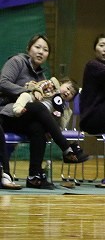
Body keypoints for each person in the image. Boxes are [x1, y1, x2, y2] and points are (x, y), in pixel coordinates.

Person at [0, 34, 90, 189]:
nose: (41, 51)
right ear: (29, 49)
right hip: (5, 111)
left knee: (39, 128)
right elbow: (3, 83)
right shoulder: (17, 61)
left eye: (45, 50)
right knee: (39, 108)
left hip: (21, 117)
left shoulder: (42, 77)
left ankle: (34, 176)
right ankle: (66, 148)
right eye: (37, 47)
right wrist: (28, 90)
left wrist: (50, 124)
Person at [12, 77, 78, 129]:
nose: (68, 93)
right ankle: (18, 109)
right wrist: (38, 91)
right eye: (68, 88)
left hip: (42, 115)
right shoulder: (52, 85)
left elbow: (61, 124)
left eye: (72, 93)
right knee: (25, 96)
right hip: (35, 101)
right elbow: (42, 84)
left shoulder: (62, 107)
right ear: (61, 83)